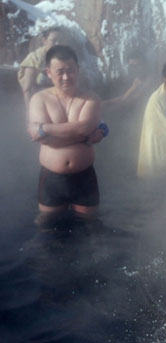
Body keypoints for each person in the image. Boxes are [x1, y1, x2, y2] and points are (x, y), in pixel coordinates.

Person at [27, 45, 105, 226]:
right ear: (48, 72)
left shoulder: (90, 98)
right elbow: (41, 138)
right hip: (52, 178)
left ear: (78, 70)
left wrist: (44, 127)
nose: (66, 76)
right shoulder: (39, 99)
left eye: (70, 70)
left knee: (90, 226)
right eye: (60, 71)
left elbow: (83, 128)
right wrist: (83, 136)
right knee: (46, 227)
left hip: (84, 176)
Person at [18, 27, 64, 107]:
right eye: (53, 40)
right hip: (39, 103)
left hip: (60, 103)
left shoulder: (64, 58)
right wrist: (31, 111)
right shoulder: (35, 58)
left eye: (60, 41)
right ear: (44, 41)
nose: (57, 44)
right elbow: (27, 90)